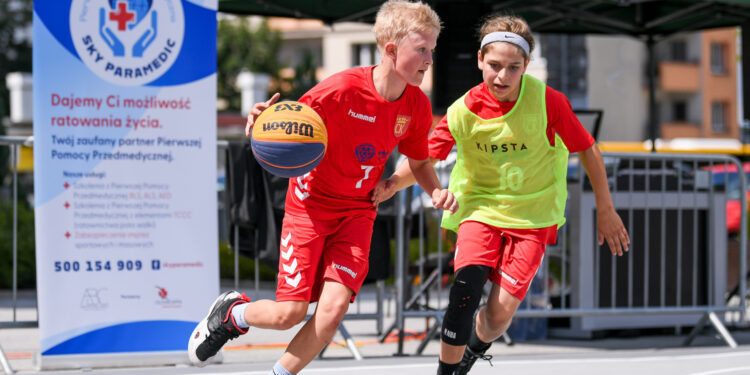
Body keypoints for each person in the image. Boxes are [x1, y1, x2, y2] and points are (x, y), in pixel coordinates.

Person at [187, 1, 457, 374]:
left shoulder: (416, 105)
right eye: (422, 49)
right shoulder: (342, 90)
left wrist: (435, 191)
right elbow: (288, 121)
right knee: (288, 314)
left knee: (330, 314)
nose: (430, 58)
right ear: (391, 49)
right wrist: (261, 117)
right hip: (311, 207)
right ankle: (234, 313)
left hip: (359, 212)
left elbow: (420, 161)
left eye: (433, 49)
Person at [372, 14, 630, 375]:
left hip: (533, 216)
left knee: (496, 317)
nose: (502, 77)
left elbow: (588, 149)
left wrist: (606, 209)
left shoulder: (548, 102)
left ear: (526, 66)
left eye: (513, 68)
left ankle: (472, 351)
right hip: (479, 209)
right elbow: (423, 157)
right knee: (465, 290)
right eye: (494, 66)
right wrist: (389, 186)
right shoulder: (463, 110)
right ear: (479, 60)